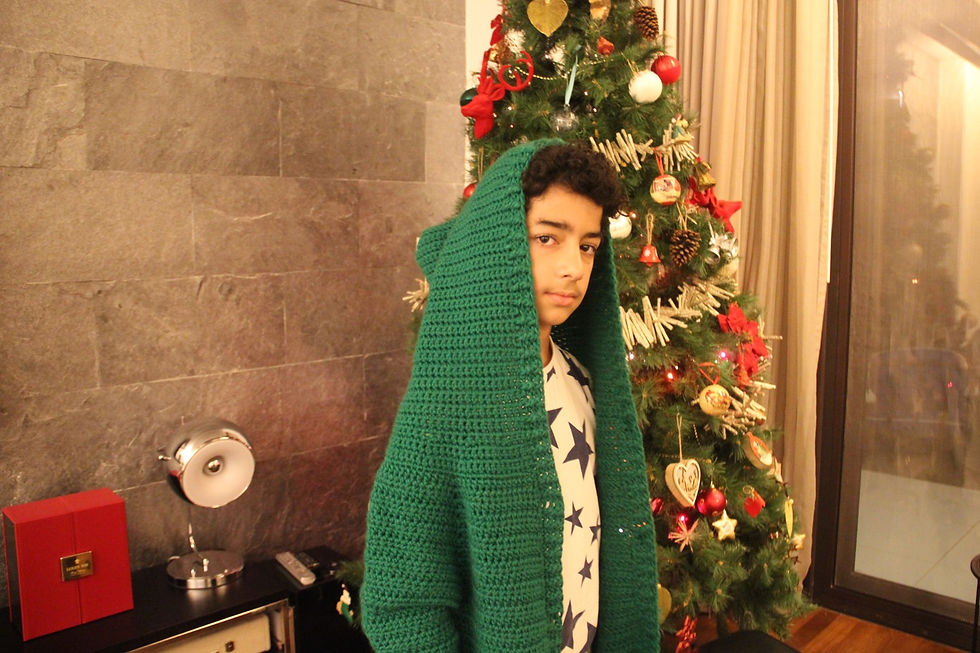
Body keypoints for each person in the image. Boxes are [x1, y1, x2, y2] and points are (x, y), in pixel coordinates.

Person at [361, 140, 660, 652]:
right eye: (547, 238)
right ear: (496, 246)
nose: (573, 267)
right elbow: (403, 606)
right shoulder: (448, 403)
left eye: (587, 246)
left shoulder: (584, 384)